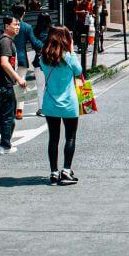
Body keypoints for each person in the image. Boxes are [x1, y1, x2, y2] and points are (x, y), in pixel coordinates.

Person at [39, 25, 82, 185]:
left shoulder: (44, 58)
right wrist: (71, 51)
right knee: (70, 137)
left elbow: (43, 67)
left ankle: (53, 172)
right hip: (69, 104)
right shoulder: (69, 58)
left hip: (50, 103)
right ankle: (66, 171)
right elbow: (79, 71)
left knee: (53, 138)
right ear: (66, 39)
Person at [0, 15, 26, 154]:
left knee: (1, 112)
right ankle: (5, 145)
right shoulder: (6, 42)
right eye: (15, 24)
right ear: (7, 26)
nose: (17, 27)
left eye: (19, 25)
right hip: (5, 84)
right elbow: (4, 63)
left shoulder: (2, 41)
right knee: (8, 115)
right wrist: (18, 78)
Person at [30, 12, 52, 117]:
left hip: (38, 62)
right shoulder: (52, 31)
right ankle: (49, 107)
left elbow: (35, 46)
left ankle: (41, 108)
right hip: (50, 62)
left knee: (40, 86)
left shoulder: (35, 31)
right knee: (50, 86)